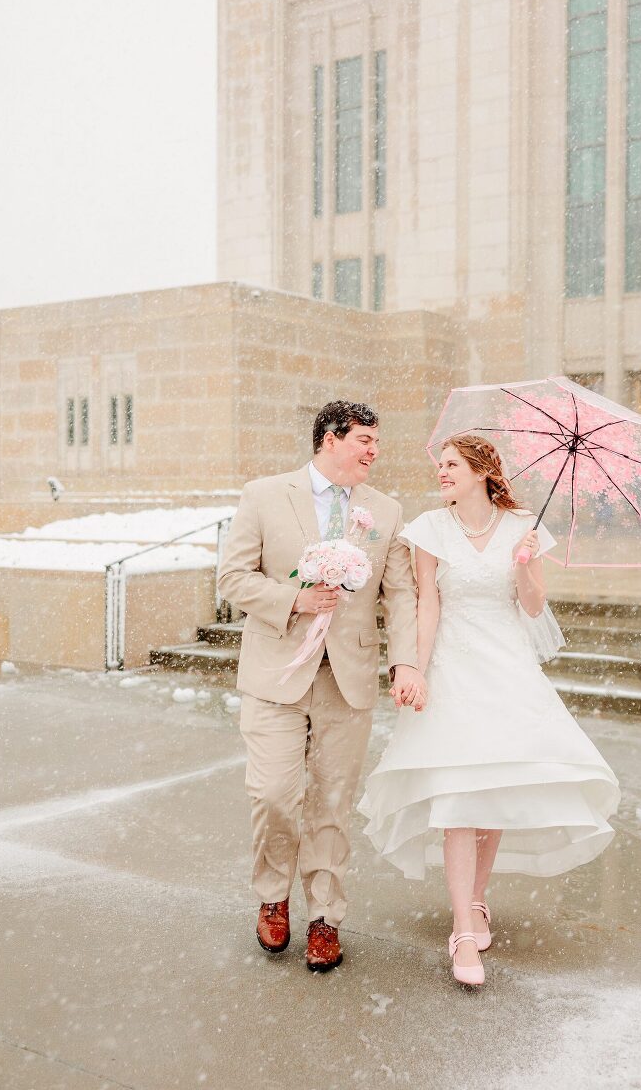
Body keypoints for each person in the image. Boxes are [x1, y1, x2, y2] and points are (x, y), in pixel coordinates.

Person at [359, 434, 620, 987]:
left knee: (495, 790)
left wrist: (524, 563)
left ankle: (476, 899)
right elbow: (428, 604)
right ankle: (460, 928)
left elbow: (531, 605)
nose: (442, 473)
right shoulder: (429, 529)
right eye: (441, 465)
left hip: (507, 669)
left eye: (452, 465)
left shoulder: (523, 525)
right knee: (457, 798)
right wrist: (416, 670)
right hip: (453, 670)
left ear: (481, 470)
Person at [217, 400, 426, 972]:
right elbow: (233, 577)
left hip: (348, 679)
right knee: (275, 796)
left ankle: (326, 917)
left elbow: (400, 593)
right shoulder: (264, 494)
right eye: (363, 439)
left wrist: (406, 663)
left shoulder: (385, 509)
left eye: (377, 442)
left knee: (333, 802)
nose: (373, 451)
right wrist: (295, 601)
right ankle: (272, 897)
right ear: (328, 439)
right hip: (275, 675)